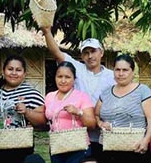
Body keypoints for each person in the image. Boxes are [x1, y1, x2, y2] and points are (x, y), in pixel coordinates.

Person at [95, 54, 151, 163]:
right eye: (117, 70)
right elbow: (96, 115)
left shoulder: (142, 90)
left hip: (135, 152)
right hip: (109, 153)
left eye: (125, 70)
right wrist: (101, 124)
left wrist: (145, 141)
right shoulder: (106, 92)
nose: (120, 73)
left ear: (132, 72)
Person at [40, 26, 115, 155]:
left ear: (101, 52)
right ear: (82, 55)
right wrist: (47, 31)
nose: (90, 56)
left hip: (104, 133)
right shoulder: (77, 69)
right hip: (79, 134)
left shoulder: (112, 76)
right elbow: (56, 52)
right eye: (86, 52)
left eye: (93, 51)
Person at [39, 61, 96, 163]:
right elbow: (44, 117)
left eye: (67, 77)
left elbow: (92, 124)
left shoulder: (81, 96)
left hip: (77, 148)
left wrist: (78, 112)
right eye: (60, 76)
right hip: (57, 147)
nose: (63, 80)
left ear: (74, 79)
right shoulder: (50, 97)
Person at [0, 55, 46, 163]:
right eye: (10, 69)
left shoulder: (31, 94)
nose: (14, 73)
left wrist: (27, 112)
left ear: (24, 73)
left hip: (21, 150)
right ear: (3, 71)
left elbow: (44, 121)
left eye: (18, 70)